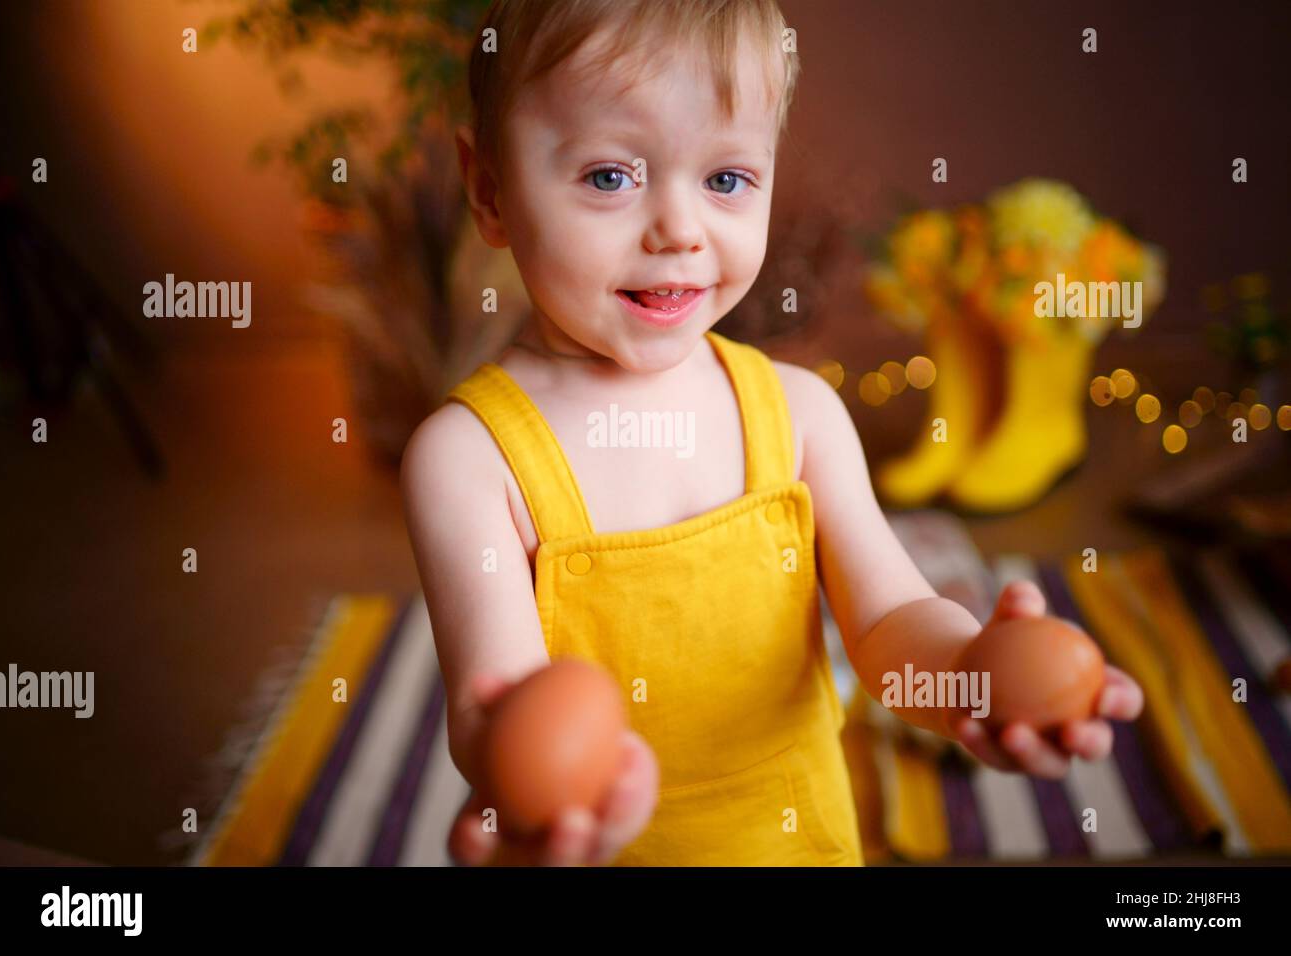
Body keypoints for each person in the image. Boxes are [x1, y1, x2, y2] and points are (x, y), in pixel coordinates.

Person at [400, 0, 1144, 867]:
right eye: (610, 176)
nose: (680, 231)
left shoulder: (797, 415)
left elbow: (891, 620)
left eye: (725, 180)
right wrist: (528, 787)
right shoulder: (470, 460)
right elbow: (501, 711)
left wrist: (971, 681)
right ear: (489, 189)